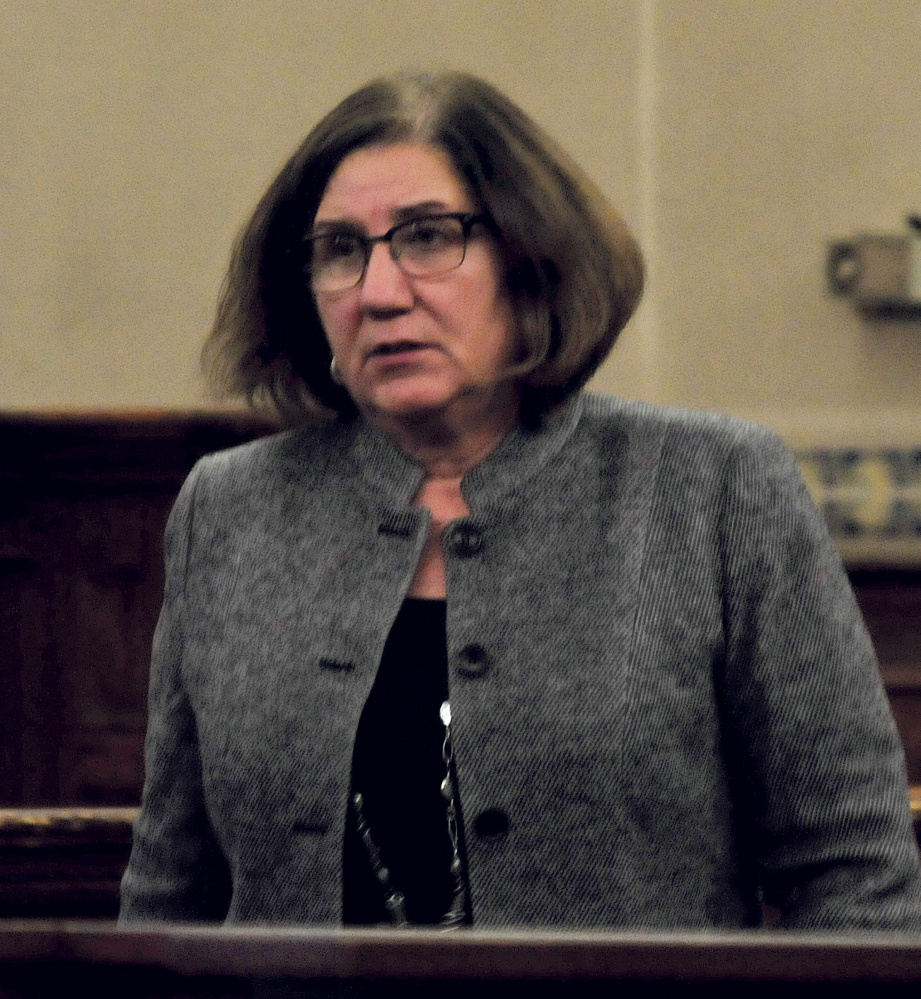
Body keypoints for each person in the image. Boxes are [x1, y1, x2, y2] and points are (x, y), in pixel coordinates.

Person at [120, 70, 921, 931]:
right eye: (340, 250)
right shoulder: (230, 510)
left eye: (428, 237)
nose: (380, 292)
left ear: (528, 257)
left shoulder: (712, 487)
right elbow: (171, 892)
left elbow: (855, 877)